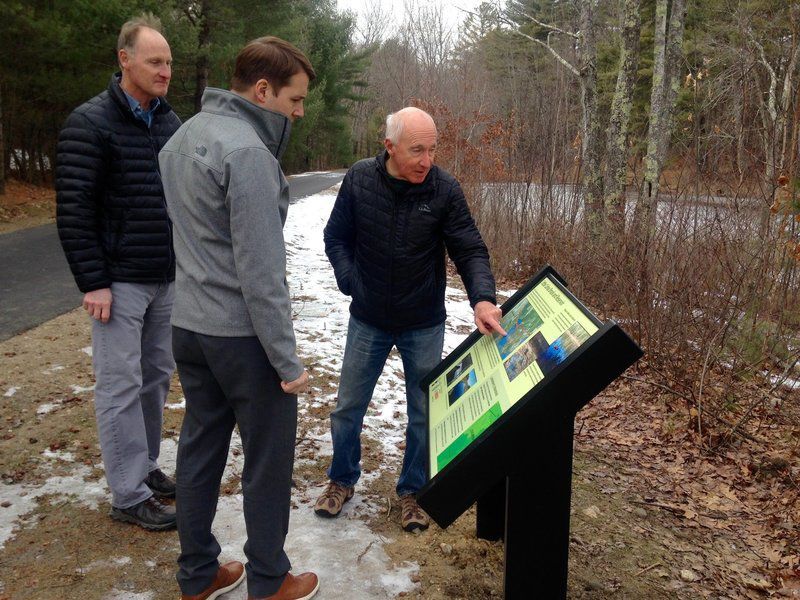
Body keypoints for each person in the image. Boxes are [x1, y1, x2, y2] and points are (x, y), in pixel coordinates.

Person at [159, 36, 319, 600]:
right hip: (242, 338)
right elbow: (260, 271)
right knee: (268, 462)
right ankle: (270, 580)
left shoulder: (181, 139)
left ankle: (197, 574)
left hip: (191, 328)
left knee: (199, 451)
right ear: (262, 90)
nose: (299, 112)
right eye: (294, 100)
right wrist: (286, 360)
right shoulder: (247, 152)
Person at [317, 107, 506, 533]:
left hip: (423, 321)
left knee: (423, 412)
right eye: (416, 150)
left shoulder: (444, 189)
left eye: (433, 149)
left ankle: (413, 491)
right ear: (389, 147)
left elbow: (470, 249)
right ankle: (341, 479)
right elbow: (336, 237)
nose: (427, 160)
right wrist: (350, 281)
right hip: (368, 318)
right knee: (348, 407)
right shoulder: (361, 179)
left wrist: (482, 299)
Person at [55, 14, 180, 531]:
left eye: (169, 62)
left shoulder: (171, 123)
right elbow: (75, 208)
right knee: (119, 385)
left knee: (154, 379)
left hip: (165, 277)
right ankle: (127, 494)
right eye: (154, 61)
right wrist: (94, 281)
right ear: (124, 60)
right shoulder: (90, 123)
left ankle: (144, 467)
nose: (164, 71)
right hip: (119, 283)